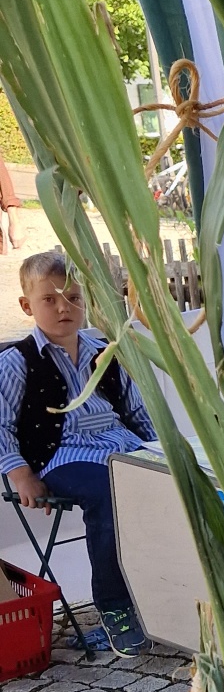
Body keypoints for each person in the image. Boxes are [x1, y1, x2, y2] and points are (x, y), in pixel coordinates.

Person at [0, 251, 155, 655]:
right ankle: (115, 608)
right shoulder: (17, 362)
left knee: (177, 482)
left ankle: (164, 596)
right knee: (110, 491)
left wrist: (160, 450)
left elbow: (135, 409)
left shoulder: (104, 349)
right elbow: (1, 425)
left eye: (72, 298)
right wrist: (20, 474)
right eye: (49, 299)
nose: (63, 308)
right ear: (27, 306)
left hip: (122, 445)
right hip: (62, 455)